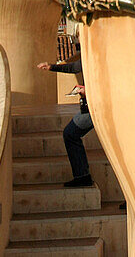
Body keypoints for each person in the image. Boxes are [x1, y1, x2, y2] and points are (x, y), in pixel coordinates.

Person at [37, 43, 94, 188]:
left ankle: (83, 176)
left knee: (70, 134)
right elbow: (74, 67)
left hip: (100, 108)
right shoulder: (91, 53)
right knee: (70, 134)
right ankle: (82, 176)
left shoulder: (101, 56)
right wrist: (51, 67)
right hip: (90, 108)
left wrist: (90, 92)